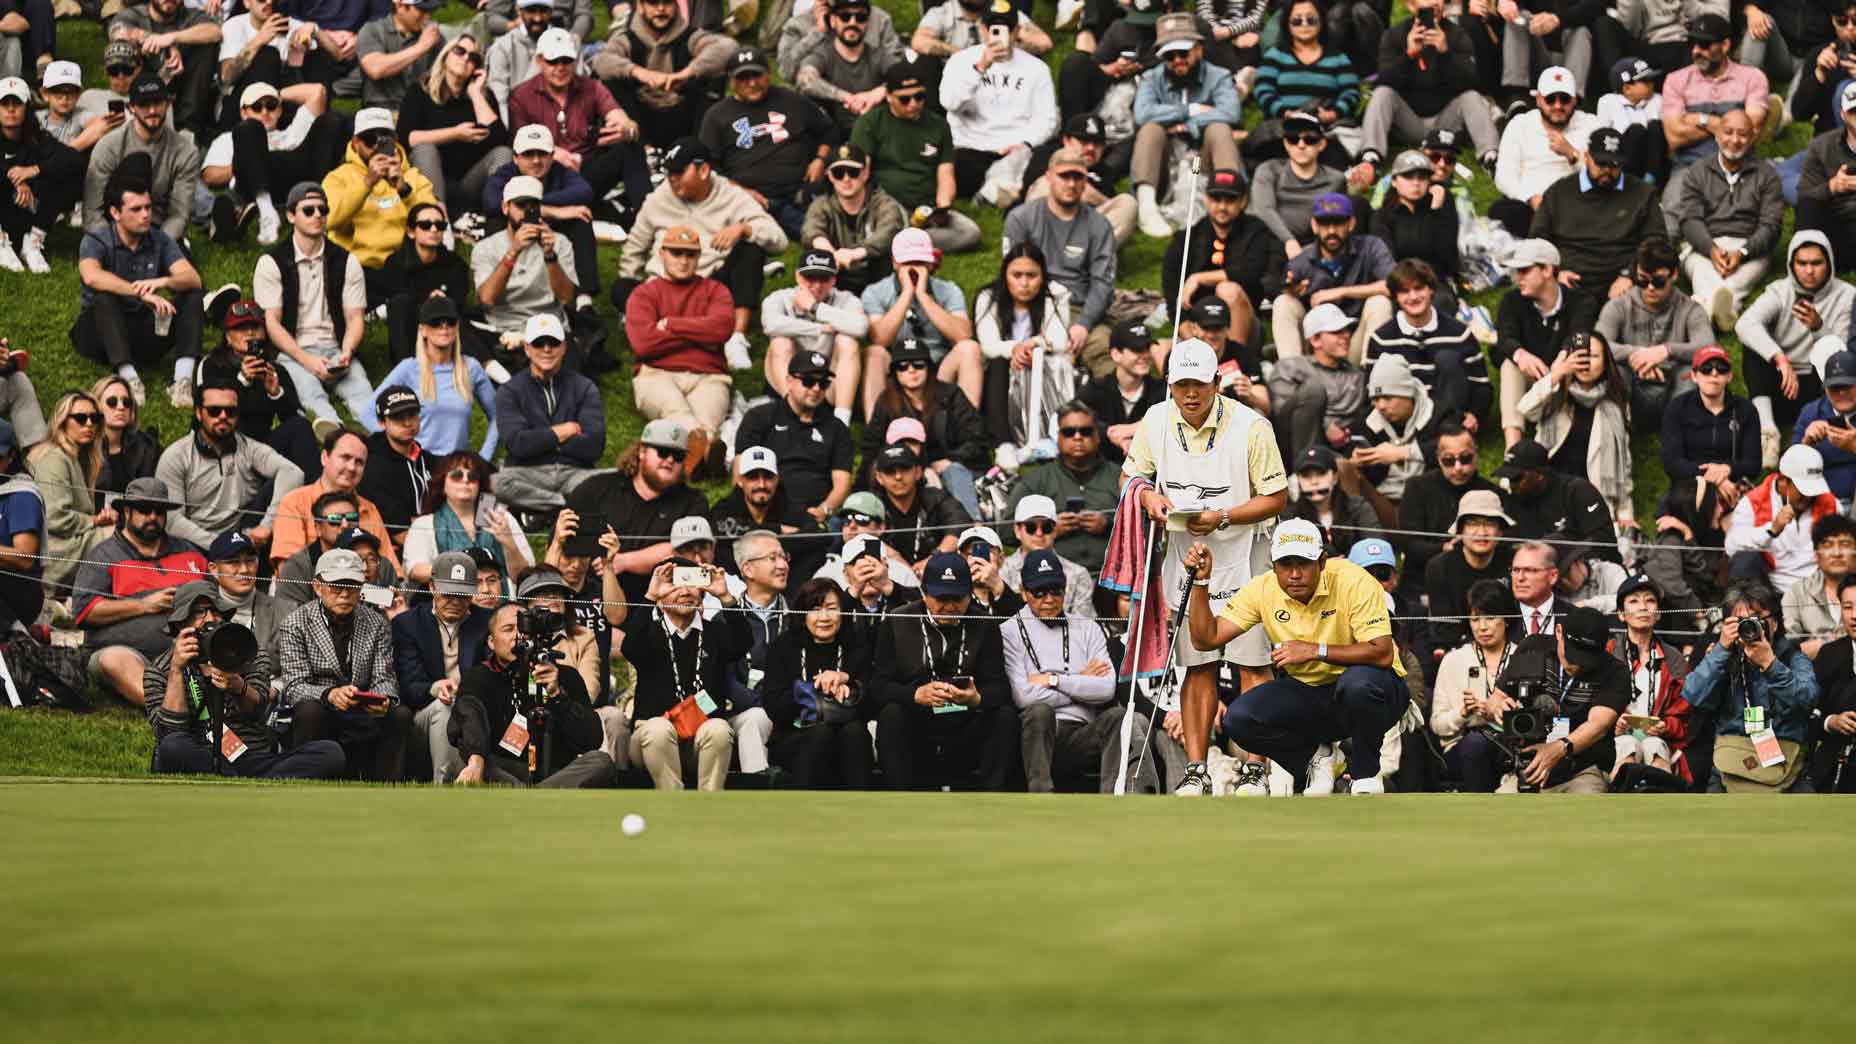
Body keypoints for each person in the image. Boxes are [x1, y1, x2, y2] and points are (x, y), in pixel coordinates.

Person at [1124, 337, 1288, 795]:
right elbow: (1132, 476)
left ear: (1217, 382)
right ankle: (1196, 770)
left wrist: (1226, 515)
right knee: (1196, 666)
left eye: (1200, 384)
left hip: (1246, 552)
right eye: (1182, 385)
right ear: (1169, 384)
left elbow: (1277, 496)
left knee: (1252, 663)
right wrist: (1149, 496)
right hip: (1183, 552)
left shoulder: (1252, 427)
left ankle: (1256, 768)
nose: (1191, 394)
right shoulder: (1156, 420)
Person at [1185, 519, 1409, 795]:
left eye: (1303, 564)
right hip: (1313, 695)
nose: (1294, 574)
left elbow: (1382, 652)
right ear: (1273, 565)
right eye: (1285, 564)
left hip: (1378, 692)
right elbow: (1207, 638)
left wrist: (1315, 650)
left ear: (1322, 562)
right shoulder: (1263, 588)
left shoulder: (1354, 580)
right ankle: (1319, 756)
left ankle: (1365, 774)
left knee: (1357, 684)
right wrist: (1200, 583)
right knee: (1239, 719)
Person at [144, 580, 346, 779]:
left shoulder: (249, 653)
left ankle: (235, 780)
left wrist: (239, 687)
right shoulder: (159, 669)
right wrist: (177, 671)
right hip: (198, 754)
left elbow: (259, 712)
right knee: (173, 747)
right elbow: (168, 732)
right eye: (199, 612)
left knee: (330, 753)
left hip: (252, 757)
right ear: (180, 623)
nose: (210, 619)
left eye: (216, 610)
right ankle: (242, 781)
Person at [614, 138, 789, 368]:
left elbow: (780, 241)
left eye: (678, 172)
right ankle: (658, 325)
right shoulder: (659, 198)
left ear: (703, 170)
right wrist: (638, 292)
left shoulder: (731, 196)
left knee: (751, 249)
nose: (671, 179)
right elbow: (635, 246)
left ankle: (735, 337)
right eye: (669, 173)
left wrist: (744, 228)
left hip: (709, 287)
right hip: (663, 286)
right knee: (621, 289)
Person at [868, 552, 1020, 790]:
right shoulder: (897, 621)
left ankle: (994, 800)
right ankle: (898, 801)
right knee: (891, 714)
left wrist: (976, 698)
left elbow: (1000, 687)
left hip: (965, 724)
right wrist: (915, 695)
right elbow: (878, 686)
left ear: (970, 593)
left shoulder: (985, 624)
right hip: (918, 724)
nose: (949, 606)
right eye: (941, 598)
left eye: (958, 598)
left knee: (1004, 717)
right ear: (924, 592)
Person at [1004, 548, 1146, 792]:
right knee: (1039, 712)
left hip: (1082, 731)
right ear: (1023, 592)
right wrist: (1081, 681)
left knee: (1119, 717)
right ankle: (1040, 799)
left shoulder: (1087, 628)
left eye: (1055, 590)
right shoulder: (1009, 631)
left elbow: (1105, 689)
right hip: (1036, 735)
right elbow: (1023, 696)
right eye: (1039, 592)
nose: (1048, 599)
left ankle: (1115, 798)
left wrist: (1053, 680)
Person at [448, 599, 616, 787]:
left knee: (601, 762)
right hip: (503, 769)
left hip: (556, 771)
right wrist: (476, 759)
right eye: (508, 629)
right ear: (491, 642)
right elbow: (466, 717)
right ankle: (538, 797)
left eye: (523, 629)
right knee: (462, 761)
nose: (517, 636)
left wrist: (557, 696)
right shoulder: (480, 675)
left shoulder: (565, 676)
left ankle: (529, 796)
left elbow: (591, 740)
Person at [279, 547, 413, 781]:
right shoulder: (295, 623)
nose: (344, 594)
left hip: (362, 708)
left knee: (398, 713)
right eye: (336, 586)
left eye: (352, 586)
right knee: (310, 711)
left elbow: (384, 677)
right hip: (321, 707)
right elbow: (294, 686)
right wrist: (329, 694)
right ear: (318, 587)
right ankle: (306, 783)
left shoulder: (376, 623)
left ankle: (388, 790)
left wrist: (382, 699)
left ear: (361, 588)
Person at [72, 477, 208, 705]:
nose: (153, 517)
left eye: (160, 510)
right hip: (127, 654)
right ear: (127, 512)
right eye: (144, 510)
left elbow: (214, 602)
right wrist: (146, 605)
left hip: (190, 650)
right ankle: (166, 708)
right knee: (115, 660)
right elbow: (84, 612)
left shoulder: (190, 553)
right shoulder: (104, 556)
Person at [74, 177, 204, 409]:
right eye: (136, 209)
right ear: (115, 213)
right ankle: (129, 379)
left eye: (148, 207)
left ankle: (182, 379)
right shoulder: (95, 240)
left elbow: (193, 278)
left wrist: (163, 280)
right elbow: (91, 276)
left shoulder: (159, 239)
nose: (145, 215)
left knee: (192, 296)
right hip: (100, 335)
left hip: (142, 330)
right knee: (104, 298)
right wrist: (139, 293)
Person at [620, 557, 749, 791]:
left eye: (691, 583)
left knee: (719, 728)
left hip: (700, 738)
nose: (685, 591)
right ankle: (674, 803)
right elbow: (630, 648)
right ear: (660, 600)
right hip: (651, 739)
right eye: (675, 584)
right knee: (658, 728)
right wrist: (650, 596)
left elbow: (743, 643)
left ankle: (708, 804)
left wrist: (726, 597)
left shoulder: (715, 633)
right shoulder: (649, 634)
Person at [1681, 581, 1818, 791]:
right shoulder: (1722, 656)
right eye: (1742, 621)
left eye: (1757, 619)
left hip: (1786, 763)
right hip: (1729, 765)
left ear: (1774, 623)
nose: (1750, 627)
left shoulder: (1793, 658)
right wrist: (1721, 651)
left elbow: (1807, 699)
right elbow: (1692, 695)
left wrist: (1770, 664)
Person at [256, 181, 372, 426]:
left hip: (336, 348)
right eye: (308, 210)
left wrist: (347, 352)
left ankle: (380, 439)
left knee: (365, 400)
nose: (318, 215)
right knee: (312, 396)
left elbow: (355, 318)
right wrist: (305, 360)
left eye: (323, 210)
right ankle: (334, 434)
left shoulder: (346, 260)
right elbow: (272, 324)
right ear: (290, 216)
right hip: (292, 351)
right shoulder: (272, 262)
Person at [1735, 231, 1854, 460]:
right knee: (1753, 348)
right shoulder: (1780, 291)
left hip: (1819, 387)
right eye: (1802, 263)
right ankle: (1767, 430)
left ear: (1829, 263)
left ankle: (1819, 428)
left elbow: (1843, 357)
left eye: (1816, 263)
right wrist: (1779, 357)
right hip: (1781, 382)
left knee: (1840, 364)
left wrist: (1819, 327)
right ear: (1792, 264)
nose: (1809, 271)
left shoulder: (1847, 296)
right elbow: (1744, 324)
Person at [1001, 148, 1119, 380]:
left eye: (1078, 177)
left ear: (1086, 181)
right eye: (1064, 176)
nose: (1071, 184)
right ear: (1048, 177)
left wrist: (1084, 324)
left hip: (1078, 307)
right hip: (1031, 304)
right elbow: (1009, 275)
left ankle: (1119, 410)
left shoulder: (1099, 225)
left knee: (1103, 350)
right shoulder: (1020, 218)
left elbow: (1103, 282)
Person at [625, 225, 735, 468]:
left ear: (699, 257)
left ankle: (692, 461)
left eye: (690, 254)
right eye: (676, 253)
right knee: (681, 415)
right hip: (656, 374)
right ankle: (705, 457)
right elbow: (644, 344)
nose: (683, 261)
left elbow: (722, 329)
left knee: (704, 422)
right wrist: (700, 333)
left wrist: (672, 325)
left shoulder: (716, 290)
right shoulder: (643, 294)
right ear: (662, 253)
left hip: (710, 376)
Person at [566, 421, 711, 603]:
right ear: (641, 451)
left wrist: (624, 561)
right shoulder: (597, 489)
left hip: (665, 603)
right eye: (663, 452)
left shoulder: (693, 501)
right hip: (594, 598)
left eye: (678, 455)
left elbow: (688, 556)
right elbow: (566, 543)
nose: (670, 460)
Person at [698, 47, 835, 239]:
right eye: (743, 77)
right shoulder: (716, 115)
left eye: (757, 75)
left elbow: (827, 130)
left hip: (800, 189)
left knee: (828, 231)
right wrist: (740, 191)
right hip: (750, 198)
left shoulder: (792, 100)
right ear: (731, 80)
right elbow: (708, 165)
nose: (752, 83)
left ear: (768, 74)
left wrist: (820, 159)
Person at [155, 378, 305, 551]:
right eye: (214, 411)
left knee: (280, 484)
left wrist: (267, 526)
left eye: (230, 411)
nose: (223, 416)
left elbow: (293, 473)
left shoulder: (249, 448)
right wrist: (222, 545)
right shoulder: (176, 456)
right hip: (198, 544)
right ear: (198, 413)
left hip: (246, 533)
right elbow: (172, 521)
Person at [849, 59, 982, 254]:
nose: (913, 104)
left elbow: (945, 173)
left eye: (919, 97)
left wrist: (943, 207)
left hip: (926, 210)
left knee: (971, 233)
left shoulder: (938, 125)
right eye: (905, 99)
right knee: (886, 223)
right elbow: (860, 173)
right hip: (886, 206)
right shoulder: (870, 123)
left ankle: (902, 241)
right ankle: (905, 240)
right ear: (888, 96)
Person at [1672, 107, 1785, 329]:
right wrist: (1711, 249)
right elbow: (1689, 219)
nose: (1735, 140)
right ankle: (1726, 310)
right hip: (1704, 245)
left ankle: (1703, 309)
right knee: (1702, 269)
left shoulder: (1767, 175)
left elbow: (1772, 225)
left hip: (1749, 247)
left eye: (1742, 134)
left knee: (1737, 278)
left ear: (1752, 137)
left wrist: (1743, 253)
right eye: (1728, 132)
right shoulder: (1697, 171)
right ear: (1717, 135)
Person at [1128, 14, 1239, 238]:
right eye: (1170, 55)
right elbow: (1142, 114)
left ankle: (1230, 198)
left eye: (1183, 52)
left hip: (1201, 162)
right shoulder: (1151, 78)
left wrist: (1188, 125)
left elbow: (1230, 113)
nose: (1177, 60)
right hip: (1165, 164)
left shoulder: (1219, 76)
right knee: (1150, 129)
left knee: (1220, 129)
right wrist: (1191, 110)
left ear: (1199, 49)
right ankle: (1147, 207)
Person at [938, 0, 1058, 202]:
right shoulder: (960, 61)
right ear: (983, 29)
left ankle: (998, 190)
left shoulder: (1037, 68)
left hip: (1018, 150)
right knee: (956, 165)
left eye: (1007, 28)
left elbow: (1046, 119)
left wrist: (1024, 143)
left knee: (1047, 158)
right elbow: (949, 102)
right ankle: (1003, 189)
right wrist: (980, 68)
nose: (1001, 36)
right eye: (993, 28)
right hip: (972, 148)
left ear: (1017, 31)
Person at [201, 80, 344, 248]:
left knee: (331, 120)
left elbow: (317, 91)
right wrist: (247, 161)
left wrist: (277, 93)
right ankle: (267, 213)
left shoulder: (292, 132)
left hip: (297, 178)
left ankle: (320, 204)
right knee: (250, 129)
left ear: (280, 109)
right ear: (243, 112)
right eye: (256, 107)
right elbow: (209, 175)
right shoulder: (230, 138)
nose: (264, 112)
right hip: (254, 186)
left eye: (271, 105)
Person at [1361, 0, 1499, 173]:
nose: (1434, 2)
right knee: (1382, 93)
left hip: (1447, 120)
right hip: (1408, 119)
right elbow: (1384, 80)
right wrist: (1409, 54)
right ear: (1411, 6)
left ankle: (1490, 157)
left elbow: (1471, 82)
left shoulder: (1458, 35)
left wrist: (1445, 52)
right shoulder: (1394, 35)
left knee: (1471, 96)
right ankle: (1371, 156)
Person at [1516, 330, 1636, 528]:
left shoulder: (1617, 404)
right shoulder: (1554, 393)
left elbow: (1623, 461)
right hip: (1548, 488)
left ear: (1606, 361)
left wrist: (1625, 512)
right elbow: (1525, 409)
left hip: (1590, 493)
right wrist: (1557, 374)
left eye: (1594, 356)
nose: (1585, 362)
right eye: (1580, 355)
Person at [761, 577, 873, 789]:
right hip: (794, 734)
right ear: (803, 614)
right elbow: (774, 706)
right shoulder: (784, 646)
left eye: (832, 608)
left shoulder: (857, 644)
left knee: (855, 733)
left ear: (843, 612)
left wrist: (848, 682)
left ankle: (860, 808)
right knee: (821, 734)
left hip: (847, 733)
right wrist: (811, 691)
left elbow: (873, 699)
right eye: (815, 609)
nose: (824, 617)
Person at [1529, 128, 1665, 300]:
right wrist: (1557, 272)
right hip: (1570, 279)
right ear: (1586, 157)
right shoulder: (1559, 192)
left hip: (1622, 279)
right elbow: (1537, 239)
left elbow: (1656, 241)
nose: (1607, 170)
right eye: (1601, 163)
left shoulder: (1643, 193)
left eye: (1614, 164)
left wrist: (1630, 275)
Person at [860, 231, 984, 413]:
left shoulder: (949, 290)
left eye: (919, 263)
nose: (913, 269)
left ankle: (968, 429)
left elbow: (963, 334)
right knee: (874, 353)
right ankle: (876, 434)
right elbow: (879, 339)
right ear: (894, 263)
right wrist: (906, 294)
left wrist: (923, 296)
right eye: (907, 263)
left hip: (938, 370)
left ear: (930, 262)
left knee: (969, 348)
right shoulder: (875, 292)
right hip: (897, 369)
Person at [493, 313, 605, 512]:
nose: (546, 349)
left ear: (563, 348)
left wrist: (540, 440)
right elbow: (517, 444)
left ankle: (538, 509)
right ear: (527, 349)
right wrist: (563, 431)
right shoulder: (509, 391)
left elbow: (594, 445)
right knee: (493, 483)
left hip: (575, 473)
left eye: (553, 343)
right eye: (539, 343)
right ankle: (564, 505)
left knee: (616, 480)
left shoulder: (585, 387)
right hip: (526, 473)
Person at [1493, 238, 1600, 447]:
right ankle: (1512, 448)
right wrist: (1520, 354)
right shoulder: (1512, 301)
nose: (1518, 277)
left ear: (1547, 270)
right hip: (1532, 377)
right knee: (1510, 364)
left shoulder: (1581, 301)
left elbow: (1578, 336)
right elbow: (1505, 338)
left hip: (1566, 378)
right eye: (1517, 272)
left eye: (1524, 271)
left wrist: (1560, 365)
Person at [1594, 236, 1713, 421]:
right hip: (1631, 387)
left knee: (1692, 371)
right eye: (1642, 280)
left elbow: (1707, 346)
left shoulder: (1690, 309)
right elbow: (1598, 345)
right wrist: (1640, 355)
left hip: (1674, 388)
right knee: (1614, 368)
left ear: (1674, 275)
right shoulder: (1618, 305)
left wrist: (1666, 351)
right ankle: (1617, 434)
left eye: (1658, 282)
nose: (1649, 288)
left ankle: (1678, 432)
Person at [861, 344, 988, 516]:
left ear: (929, 367)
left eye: (918, 364)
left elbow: (977, 438)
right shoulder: (886, 402)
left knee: (955, 472)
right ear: (895, 372)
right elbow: (872, 448)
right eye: (903, 366)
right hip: (905, 470)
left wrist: (950, 460)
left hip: (953, 468)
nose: (911, 371)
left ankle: (972, 530)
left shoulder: (950, 395)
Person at [1161, 168, 1279, 349]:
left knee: (1228, 290)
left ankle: (1235, 363)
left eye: (1230, 199)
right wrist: (1192, 343)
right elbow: (1174, 301)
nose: (1223, 206)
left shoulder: (1256, 231)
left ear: (1243, 201)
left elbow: (1251, 272)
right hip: (1198, 330)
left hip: (1244, 326)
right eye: (1216, 198)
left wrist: (1199, 278)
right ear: (1207, 199)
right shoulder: (1185, 240)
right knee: (1159, 349)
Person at [397, 32, 513, 216]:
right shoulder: (420, 90)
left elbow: (501, 141)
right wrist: (455, 134)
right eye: (460, 51)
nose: (466, 58)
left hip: (470, 183)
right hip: (431, 178)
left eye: (473, 57)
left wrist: (475, 92)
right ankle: (436, 218)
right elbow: (407, 138)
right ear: (445, 56)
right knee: (425, 149)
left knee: (503, 154)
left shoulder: (483, 96)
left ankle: (494, 218)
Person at [736, 347, 855, 526]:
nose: (816, 389)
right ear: (789, 381)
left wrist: (825, 509)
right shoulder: (759, 417)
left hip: (818, 514)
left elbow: (842, 482)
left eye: (823, 384)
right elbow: (740, 472)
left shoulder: (837, 428)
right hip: (768, 511)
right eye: (808, 381)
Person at [365, 298, 498, 458]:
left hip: (454, 470)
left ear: (457, 328)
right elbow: (368, 412)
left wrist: (484, 457)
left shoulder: (471, 368)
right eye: (435, 322)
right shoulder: (409, 368)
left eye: (450, 322)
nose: (444, 327)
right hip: (417, 465)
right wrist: (396, 448)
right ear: (423, 330)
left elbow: (498, 416)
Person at [973, 241, 1076, 447]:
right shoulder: (988, 297)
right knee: (998, 363)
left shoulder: (1056, 295)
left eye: (1031, 275)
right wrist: (1015, 349)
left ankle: (1054, 434)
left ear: (1042, 275)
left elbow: (1059, 340)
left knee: (1059, 360)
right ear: (1005, 275)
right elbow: (989, 345)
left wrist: (1033, 344)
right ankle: (1003, 443)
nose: (1024, 283)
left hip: (1041, 367)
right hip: (1001, 373)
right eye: (1017, 275)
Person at [596, 0, 738, 148]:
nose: (661, 9)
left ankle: (702, 150)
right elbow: (601, 61)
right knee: (610, 80)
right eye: (653, 3)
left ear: (677, 5)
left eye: (667, 2)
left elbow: (728, 48)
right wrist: (639, 72)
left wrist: (686, 73)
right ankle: (643, 151)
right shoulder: (626, 38)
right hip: (638, 119)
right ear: (640, 6)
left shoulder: (689, 35)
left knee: (713, 76)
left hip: (684, 115)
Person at [1272, 193, 1394, 362]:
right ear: (1314, 225)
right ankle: (1292, 376)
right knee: (1283, 303)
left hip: (1354, 344)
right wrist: (1291, 291)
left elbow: (1394, 285)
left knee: (1380, 302)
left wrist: (1342, 292)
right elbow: (1282, 287)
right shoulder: (1302, 260)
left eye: (1338, 223)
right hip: (1316, 349)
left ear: (1351, 224)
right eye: (1324, 224)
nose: (1331, 231)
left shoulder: (1371, 247)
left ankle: (1371, 380)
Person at [322, 108, 439, 284]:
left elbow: (433, 224)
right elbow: (329, 220)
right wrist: (367, 184)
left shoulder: (413, 177)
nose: (377, 146)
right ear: (355, 143)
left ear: (395, 141)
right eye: (370, 140)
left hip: (405, 267)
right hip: (356, 269)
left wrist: (404, 190)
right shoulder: (338, 178)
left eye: (385, 139)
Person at [1363, 258, 1484, 427]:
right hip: (1403, 417)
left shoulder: (1459, 333)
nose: (1413, 297)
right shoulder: (1381, 338)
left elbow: (1481, 385)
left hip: (1448, 414)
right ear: (1395, 297)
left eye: (1419, 288)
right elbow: (1371, 389)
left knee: (1447, 358)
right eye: (1405, 291)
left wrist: (1475, 414)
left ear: (1431, 290)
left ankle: (1450, 431)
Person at [83, 76, 199, 245]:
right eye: (144, 104)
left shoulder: (185, 151)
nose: (152, 110)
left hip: (159, 231)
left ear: (168, 103)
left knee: (181, 268)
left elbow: (179, 213)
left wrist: (157, 247)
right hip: (115, 230)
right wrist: (115, 245)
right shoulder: (108, 146)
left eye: (158, 102)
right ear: (131, 108)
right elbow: (92, 211)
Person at [1606, 573, 1697, 786]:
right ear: (1621, 614)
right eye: (1634, 601)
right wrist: (1611, 722)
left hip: (1660, 740)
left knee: (1653, 746)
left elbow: (1686, 717)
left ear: (1658, 614)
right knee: (1628, 745)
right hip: (1615, 739)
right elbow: (1591, 704)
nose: (1643, 607)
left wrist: (1665, 726)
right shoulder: (1608, 653)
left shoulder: (1674, 659)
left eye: (1650, 600)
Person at [1005, 402, 1118, 573]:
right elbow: (1005, 530)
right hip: (1051, 580)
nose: (1078, 437)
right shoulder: (1037, 480)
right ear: (1058, 437)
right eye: (1069, 432)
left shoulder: (1120, 476)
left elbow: (1148, 525)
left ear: (1097, 436)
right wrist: (1046, 529)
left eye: (1086, 431)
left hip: (1113, 577)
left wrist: (1109, 525)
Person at [760, 251, 869, 426]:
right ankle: (792, 413)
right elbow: (770, 325)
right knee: (780, 342)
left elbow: (861, 327)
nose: (817, 286)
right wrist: (820, 329)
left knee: (848, 341)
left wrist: (815, 308)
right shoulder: (780, 297)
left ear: (834, 279)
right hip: (792, 378)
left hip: (829, 381)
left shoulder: (847, 299)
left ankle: (842, 421)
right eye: (810, 278)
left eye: (824, 279)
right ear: (798, 277)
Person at [1429, 579, 1519, 792]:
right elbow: (1437, 725)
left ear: (1507, 619)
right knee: (1475, 744)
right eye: (1475, 618)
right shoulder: (1453, 660)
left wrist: (1509, 712)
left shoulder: (1521, 656)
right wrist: (1463, 712)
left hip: (1511, 743)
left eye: (1490, 617)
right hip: (1464, 745)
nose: (1482, 627)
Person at [268, 428, 399, 571]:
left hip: (364, 590)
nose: (351, 467)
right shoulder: (294, 502)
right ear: (325, 457)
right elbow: (288, 571)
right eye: (345, 457)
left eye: (359, 462)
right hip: (306, 589)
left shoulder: (369, 509)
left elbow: (391, 572)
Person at [1489, 67, 1597, 238]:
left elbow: (1601, 175)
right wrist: (1530, 197)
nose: (1558, 106)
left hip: (1577, 205)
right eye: (1550, 99)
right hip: (1533, 206)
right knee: (1502, 211)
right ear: (1538, 99)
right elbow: (1504, 177)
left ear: (1575, 100)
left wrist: (1572, 155)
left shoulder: (1591, 125)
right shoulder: (1520, 125)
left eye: (1565, 99)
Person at [1660, 14, 1774, 173]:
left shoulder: (1752, 78)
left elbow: (1750, 130)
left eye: (1704, 45)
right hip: (1690, 169)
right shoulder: (1675, 80)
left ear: (1725, 45)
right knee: (1675, 198)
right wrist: (1720, 124)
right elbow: (1674, 138)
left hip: (1741, 167)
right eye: (1692, 44)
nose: (1696, 51)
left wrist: (1700, 119)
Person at [400, 451, 534, 586]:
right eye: (457, 475)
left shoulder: (500, 517)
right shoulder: (425, 523)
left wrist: (509, 543)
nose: (465, 480)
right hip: (449, 604)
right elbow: (414, 570)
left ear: (479, 485)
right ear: (442, 484)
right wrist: (461, 572)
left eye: (473, 476)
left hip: (501, 604)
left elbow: (524, 577)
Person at [1395, 421, 1499, 588]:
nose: (1458, 468)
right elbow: (1409, 544)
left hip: (1479, 580)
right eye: (1449, 460)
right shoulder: (1417, 488)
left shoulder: (1491, 493)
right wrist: (1446, 548)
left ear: (1476, 454)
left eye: (1465, 458)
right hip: (1422, 580)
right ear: (1438, 459)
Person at [1253, 0, 1363, 156]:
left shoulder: (1338, 58)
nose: (1304, 24)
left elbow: (1351, 92)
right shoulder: (1275, 56)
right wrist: (1285, 112)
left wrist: (1334, 113)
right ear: (1287, 25)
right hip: (1285, 127)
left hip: (1324, 128)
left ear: (1321, 22)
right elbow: (1263, 90)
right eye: (1297, 20)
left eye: (1311, 19)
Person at [27, 393, 113, 589]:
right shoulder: (53, 458)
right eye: (81, 418)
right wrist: (93, 521)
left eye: (95, 418)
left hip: (69, 540)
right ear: (62, 421)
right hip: (55, 550)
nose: (89, 424)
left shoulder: (78, 457)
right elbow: (56, 517)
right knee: (121, 537)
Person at [378, 201, 480, 362]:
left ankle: (489, 367)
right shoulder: (396, 263)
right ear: (411, 232)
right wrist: (431, 300)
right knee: (400, 303)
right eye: (425, 225)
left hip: (446, 325)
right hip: (410, 328)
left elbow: (459, 300)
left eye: (439, 225)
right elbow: (396, 300)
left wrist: (445, 301)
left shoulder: (454, 263)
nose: (433, 229)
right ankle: (405, 370)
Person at [1266, 304, 1366, 467]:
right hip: (1292, 447)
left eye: (1347, 330)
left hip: (1339, 449)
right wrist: (1325, 426)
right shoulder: (1290, 367)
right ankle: (1304, 470)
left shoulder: (1356, 376)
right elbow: (1281, 416)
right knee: (1313, 389)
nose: (1346, 336)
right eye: (1336, 332)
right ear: (1315, 340)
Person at [801, 142, 907, 296]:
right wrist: (833, 256)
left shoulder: (884, 203)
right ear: (830, 176)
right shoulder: (821, 205)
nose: (846, 179)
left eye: (853, 172)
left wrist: (855, 253)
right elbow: (811, 231)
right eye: (838, 173)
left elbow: (888, 231)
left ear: (865, 173)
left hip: (879, 277)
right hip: (835, 276)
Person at [1421, 489, 1516, 658]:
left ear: (1500, 531)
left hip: (1510, 647)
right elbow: (1444, 628)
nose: (1481, 532)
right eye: (1472, 524)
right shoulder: (1439, 567)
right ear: (1460, 530)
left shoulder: (1514, 562)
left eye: (1489, 524)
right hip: (1459, 650)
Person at [1661, 344, 1761, 505]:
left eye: (1722, 369)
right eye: (1706, 369)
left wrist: (1727, 470)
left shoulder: (1746, 410)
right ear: (1694, 375)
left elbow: (1753, 464)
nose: (1714, 373)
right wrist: (1714, 478)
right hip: (1689, 486)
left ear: (1729, 376)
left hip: (1733, 487)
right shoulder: (1677, 408)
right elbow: (1672, 463)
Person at [0, 74, 80, 275]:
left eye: (16, 103)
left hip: (26, 211)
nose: (10, 109)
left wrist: (34, 170)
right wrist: (15, 178)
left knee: (64, 173)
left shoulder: (37, 137)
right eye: (4, 103)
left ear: (26, 108)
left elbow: (75, 160)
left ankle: (33, 242)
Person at [1344, 354, 1440, 519]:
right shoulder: (1366, 420)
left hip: (1429, 501)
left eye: (1388, 398)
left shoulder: (1437, 414)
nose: (1381, 406)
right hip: (1382, 500)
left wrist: (1402, 453)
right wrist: (1356, 460)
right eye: (1375, 399)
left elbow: (1455, 448)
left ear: (1407, 394)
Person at [1020, 113, 1137, 246]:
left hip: (1085, 230)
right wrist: (1082, 190)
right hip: (1049, 227)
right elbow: (1032, 189)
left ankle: (1084, 256)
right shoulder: (1046, 155)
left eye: (1097, 143)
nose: (1091, 148)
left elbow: (1109, 207)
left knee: (1128, 203)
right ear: (1066, 141)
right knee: (1046, 184)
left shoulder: (1104, 171)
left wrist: (1087, 194)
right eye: (1084, 141)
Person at [1498, 439, 1623, 564]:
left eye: (1517, 478)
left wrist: (1557, 553)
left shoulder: (1577, 492)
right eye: (1509, 478)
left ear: (1539, 474)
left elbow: (1604, 542)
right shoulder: (1513, 500)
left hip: (1589, 568)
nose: (1512, 485)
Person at [1250, 110, 1348, 257]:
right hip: (1266, 241)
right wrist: (1289, 241)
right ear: (1286, 144)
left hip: (1313, 245)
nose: (1301, 145)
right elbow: (1263, 210)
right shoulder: (1268, 170)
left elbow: (1337, 218)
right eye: (1293, 139)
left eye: (1310, 140)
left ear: (1321, 144)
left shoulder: (1336, 179)